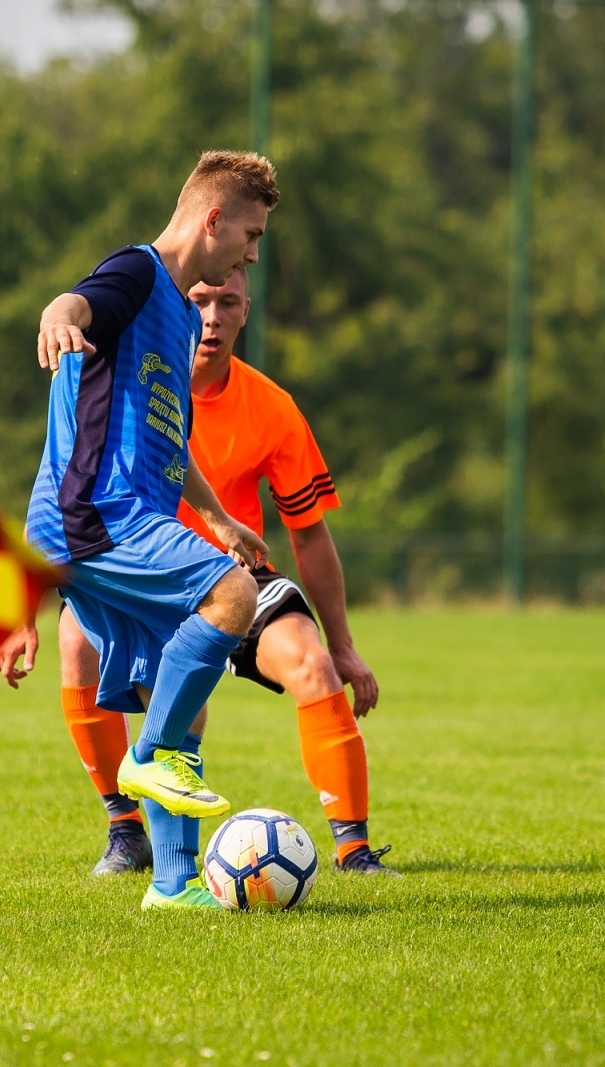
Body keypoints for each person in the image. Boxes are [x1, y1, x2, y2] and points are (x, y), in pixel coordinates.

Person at [0, 151, 279, 911]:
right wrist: (59, 319)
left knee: (180, 693)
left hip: (120, 517)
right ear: (213, 218)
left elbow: (169, 437)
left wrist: (217, 514)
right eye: (249, 235)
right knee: (231, 598)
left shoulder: (182, 316)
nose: (252, 254)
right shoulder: (137, 274)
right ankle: (145, 758)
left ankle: (173, 884)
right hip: (100, 516)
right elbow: (76, 302)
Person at [58, 268, 397, 878]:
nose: (212, 317)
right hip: (140, 567)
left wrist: (344, 647)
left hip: (232, 577)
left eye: (229, 303)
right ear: (176, 312)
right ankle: (125, 830)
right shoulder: (130, 383)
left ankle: (354, 850)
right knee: (74, 641)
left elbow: (309, 532)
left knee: (312, 664)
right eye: (201, 301)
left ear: (246, 314)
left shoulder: (272, 408)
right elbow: (62, 485)